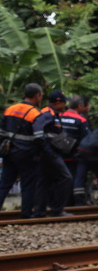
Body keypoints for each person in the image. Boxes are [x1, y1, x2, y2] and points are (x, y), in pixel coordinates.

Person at [0, 83, 45, 218]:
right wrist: (38, 154)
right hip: (26, 154)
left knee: (4, 184)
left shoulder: (10, 109)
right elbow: (39, 138)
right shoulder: (35, 113)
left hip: (9, 152)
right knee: (28, 184)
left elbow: (1, 132)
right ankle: (26, 213)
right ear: (37, 95)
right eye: (41, 95)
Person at [33, 91, 74, 217]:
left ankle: (41, 211)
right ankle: (57, 209)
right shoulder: (47, 113)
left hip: (50, 152)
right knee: (66, 178)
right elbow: (38, 132)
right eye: (63, 103)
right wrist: (44, 149)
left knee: (45, 181)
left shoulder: (54, 114)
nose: (65, 105)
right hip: (49, 153)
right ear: (57, 103)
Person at [71, 97, 98, 206]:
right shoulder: (83, 120)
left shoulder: (64, 116)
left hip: (81, 150)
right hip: (95, 152)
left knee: (80, 176)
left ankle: (79, 202)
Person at [59, 95, 90, 203]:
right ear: (80, 106)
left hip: (59, 156)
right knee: (75, 178)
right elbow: (86, 140)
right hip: (74, 156)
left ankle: (62, 202)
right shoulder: (81, 120)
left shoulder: (59, 116)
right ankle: (76, 202)